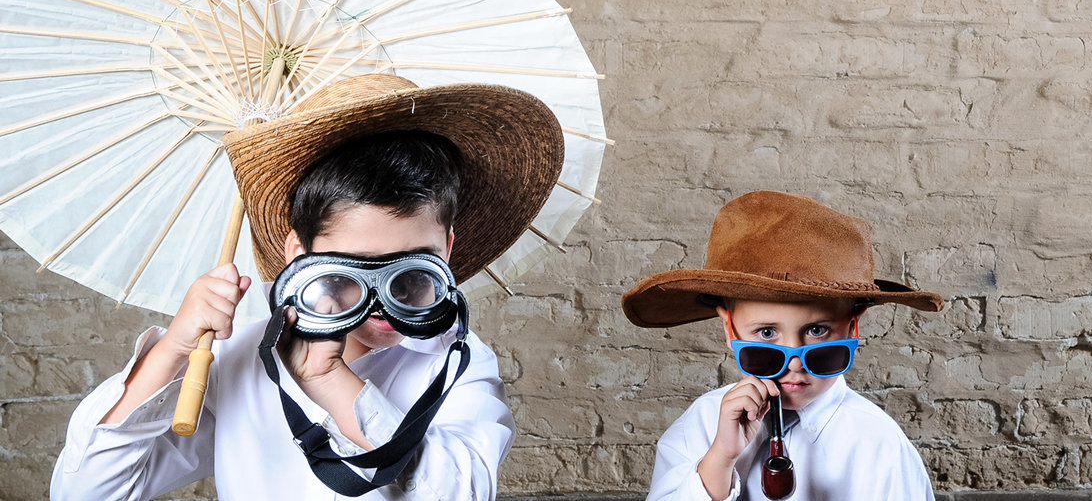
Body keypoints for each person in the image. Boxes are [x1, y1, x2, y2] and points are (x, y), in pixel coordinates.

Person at [51, 73, 565, 501]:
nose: (384, 301)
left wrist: (331, 381)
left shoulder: (458, 362)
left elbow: (460, 493)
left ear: (448, 250)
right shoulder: (239, 360)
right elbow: (85, 492)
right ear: (299, 253)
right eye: (350, 271)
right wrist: (172, 351)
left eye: (413, 273)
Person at [621, 191, 945, 501]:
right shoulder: (703, 423)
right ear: (729, 328)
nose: (794, 361)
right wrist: (721, 457)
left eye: (817, 330)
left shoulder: (880, 445)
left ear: (851, 326)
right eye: (765, 333)